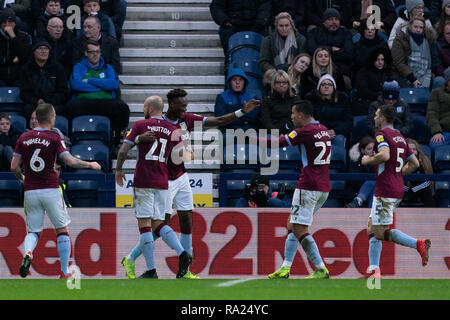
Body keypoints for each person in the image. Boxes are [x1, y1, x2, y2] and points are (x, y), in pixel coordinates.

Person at [122, 88, 260, 279]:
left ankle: (185, 269)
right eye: (182, 105)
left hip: (181, 176)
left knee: (186, 219)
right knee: (161, 224)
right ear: (171, 105)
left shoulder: (186, 119)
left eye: (186, 105)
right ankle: (131, 258)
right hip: (163, 180)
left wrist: (241, 112)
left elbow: (218, 121)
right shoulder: (159, 125)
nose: (185, 108)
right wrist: (181, 152)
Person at [10, 103, 101, 279]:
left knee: (34, 232)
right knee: (62, 230)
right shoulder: (53, 137)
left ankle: (28, 253)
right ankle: (64, 272)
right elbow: (69, 161)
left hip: (30, 191)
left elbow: (14, 167)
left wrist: (23, 180)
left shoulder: (23, 137)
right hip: (51, 189)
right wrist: (89, 164)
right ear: (52, 118)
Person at [116, 95, 193, 279]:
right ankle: (183, 253)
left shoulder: (140, 126)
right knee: (158, 223)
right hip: (162, 180)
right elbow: (187, 155)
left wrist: (118, 169)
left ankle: (151, 270)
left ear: (150, 108)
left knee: (145, 225)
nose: (143, 109)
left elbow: (123, 150)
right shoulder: (173, 129)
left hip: (144, 179)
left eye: (144, 106)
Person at [263, 99, 331, 279]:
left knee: (299, 228)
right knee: (293, 224)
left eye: (293, 113)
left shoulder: (304, 131)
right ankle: (285, 267)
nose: (291, 117)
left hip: (308, 186)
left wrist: (254, 139)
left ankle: (320, 267)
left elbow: (278, 142)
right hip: (323, 187)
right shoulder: (323, 129)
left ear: (301, 114)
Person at [359, 104, 430, 278]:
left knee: (379, 231)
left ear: (382, 117)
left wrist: (367, 159)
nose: (374, 118)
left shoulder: (381, 134)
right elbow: (415, 163)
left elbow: (384, 156)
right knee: (372, 227)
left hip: (386, 189)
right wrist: (398, 174)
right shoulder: (400, 136)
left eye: (376, 115)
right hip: (396, 187)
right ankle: (374, 271)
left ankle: (418, 244)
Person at [66, 39, 129, 150]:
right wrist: (102, 86)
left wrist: (90, 80)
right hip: (84, 103)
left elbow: (113, 84)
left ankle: (116, 140)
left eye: (97, 52)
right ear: (86, 53)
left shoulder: (108, 68)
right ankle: (71, 141)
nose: (95, 55)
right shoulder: (79, 67)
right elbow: (76, 84)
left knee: (123, 108)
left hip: (106, 103)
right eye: (92, 52)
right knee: (68, 107)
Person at [209, 0, 271, 73]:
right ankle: (230, 61)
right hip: (233, 24)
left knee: (263, 33)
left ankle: (261, 63)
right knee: (225, 32)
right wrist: (224, 21)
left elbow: (265, 5)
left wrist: (261, 21)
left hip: (255, 24)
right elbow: (216, 6)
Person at [20, 40, 69, 120]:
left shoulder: (58, 68)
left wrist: (49, 102)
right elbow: (24, 92)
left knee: (61, 110)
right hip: (34, 104)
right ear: (34, 51)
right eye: (40, 48)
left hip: (53, 103)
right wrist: (37, 101)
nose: (43, 51)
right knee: (28, 110)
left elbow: (62, 91)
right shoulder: (26, 69)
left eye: (46, 49)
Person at [306, 8, 354, 89]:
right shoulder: (314, 32)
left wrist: (322, 51)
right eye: (330, 19)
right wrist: (331, 49)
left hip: (340, 69)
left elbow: (348, 54)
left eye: (336, 19)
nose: (334, 22)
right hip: (317, 68)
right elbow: (312, 49)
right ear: (324, 21)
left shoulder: (346, 33)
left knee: (346, 82)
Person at [305, 74, 353, 145]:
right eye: (323, 84)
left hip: (337, 133)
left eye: (330, 84)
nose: (326, 86)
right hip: (318, 132)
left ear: (334, 88)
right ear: (319, 87)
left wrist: (335, 131)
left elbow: (348, 122)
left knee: (339, 140)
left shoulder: (342, 100)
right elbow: (309, 121)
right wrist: (323, 132)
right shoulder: (312, 102)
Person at [391, 16, 437, 88]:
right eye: (415, 27)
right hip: (403, 75)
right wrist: (412, 79)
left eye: (421, 27)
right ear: (410, 26)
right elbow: (399, 63)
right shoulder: (400, 39)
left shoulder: (428, 40)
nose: (418, 30)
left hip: (424, 74)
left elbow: (430, 61)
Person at [353, 47, 392, 116]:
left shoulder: (385, 73)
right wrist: (380, 95)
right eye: (377, 60)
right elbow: (363, 92)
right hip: (365, 104)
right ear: (372, 60)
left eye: (382, 60)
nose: (380, 62)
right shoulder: (363, 72)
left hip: (382, 103)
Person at [0, 8, 31, 86]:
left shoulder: (24, 36)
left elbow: (25, 57)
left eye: (10, 22)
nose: (7, 25)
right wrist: (11, 61)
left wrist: (13, 37)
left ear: (15, 23)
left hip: (18, 76)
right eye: (4, 22)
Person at [259, 69, 297, 135]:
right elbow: (266, 122)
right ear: (273, 84)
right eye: (278, 82)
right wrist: (278, 134)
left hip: (291, 132)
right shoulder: (267, 100)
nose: (281, 85)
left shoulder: (295, 98)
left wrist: (290, 134)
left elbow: (298, 118)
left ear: (288, 84)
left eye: (284, 82)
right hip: (273, 133)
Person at [344, 136, 376, 208]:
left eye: (374, 149)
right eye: (369, 149)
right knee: (372, 181)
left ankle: (359, 200)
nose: (372, 151)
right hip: (355, 192)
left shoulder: (379, 163)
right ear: (362, 150)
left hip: (375, 194)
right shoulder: (356, 162)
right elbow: (354, 181)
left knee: (374, 183)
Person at [403, 138, 435, 206]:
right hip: (405, 192)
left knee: (427, 191)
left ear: (418, 151)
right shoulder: (399, 162)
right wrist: (408, 189)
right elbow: (397, 181)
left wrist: (414, 189)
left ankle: (431, 214)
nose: (411, 152)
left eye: (414, 149)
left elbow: (429, 181)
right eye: (409, 150)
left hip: (421, 191)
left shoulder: (424, 161)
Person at [427, 66, 450, 151]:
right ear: (447, 81)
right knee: (435, 145)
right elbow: (431, 114)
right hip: (444, 132)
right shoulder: (436, 93)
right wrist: (437, 132)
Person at [432, 21, 450, 87]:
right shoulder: (437, 46)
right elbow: (437, 67)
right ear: (444, 34)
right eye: (448, 34)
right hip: (444, 76)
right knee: (439, 80)